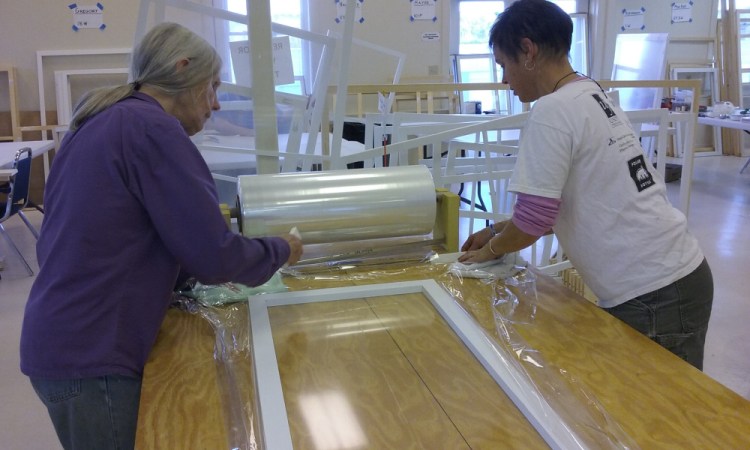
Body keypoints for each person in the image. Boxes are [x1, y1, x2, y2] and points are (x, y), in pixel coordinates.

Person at [19, 22, 303, 450]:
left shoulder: (99, 123)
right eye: (212, 87)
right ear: (182, 69)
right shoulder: (152, 129)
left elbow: (109, 233)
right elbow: (215, 255)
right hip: (94, 357)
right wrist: (282, 249)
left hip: (61, 343)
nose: (216, 104)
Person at [459, 0, 713, 371]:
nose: (504, 80)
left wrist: (489, 251)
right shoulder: (591, 93)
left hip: (654, 292)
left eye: (504, 65)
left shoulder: (551, 110)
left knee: (663, 419)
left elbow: (534, 219)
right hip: (677, 276)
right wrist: (493, 229)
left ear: (527, 51)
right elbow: (550, 210)